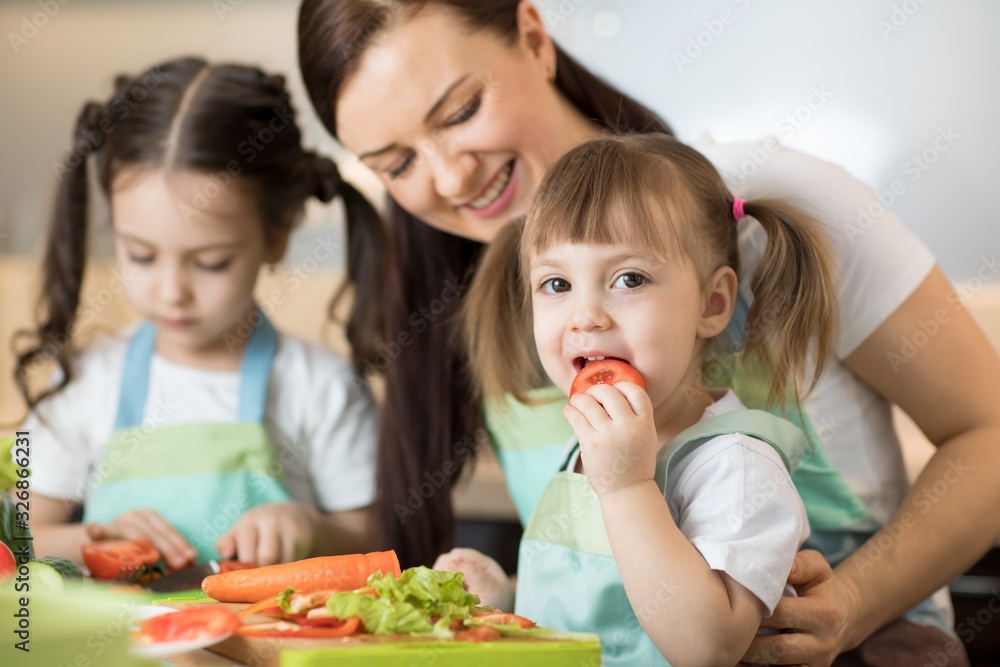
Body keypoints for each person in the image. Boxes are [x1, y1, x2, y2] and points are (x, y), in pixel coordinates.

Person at [297, 1, 999, 664]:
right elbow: (608, 588)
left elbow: (988, 432)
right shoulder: (508, 304)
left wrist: (852, 599)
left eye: (461, 111)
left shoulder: (755, 201)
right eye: (397, 164)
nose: (449, 177)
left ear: (535, 39)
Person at [442, 133, 841, 666]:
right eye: (556, 284)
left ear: (712, 304)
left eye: (629, 279)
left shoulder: (734, 465)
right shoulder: (589, 446)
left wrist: (628, 488)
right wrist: (509, 600)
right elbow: (600, 615)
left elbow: (709, 645)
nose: (586, 316)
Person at [13, 56, 384, 569]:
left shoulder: (321, 386)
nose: (171, 291)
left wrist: (308, 529)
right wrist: (94, 539)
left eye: (210, 263)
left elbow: (374, 543)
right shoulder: (84, 380)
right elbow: (21, 541)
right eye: (140, 255)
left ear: (276, 236)